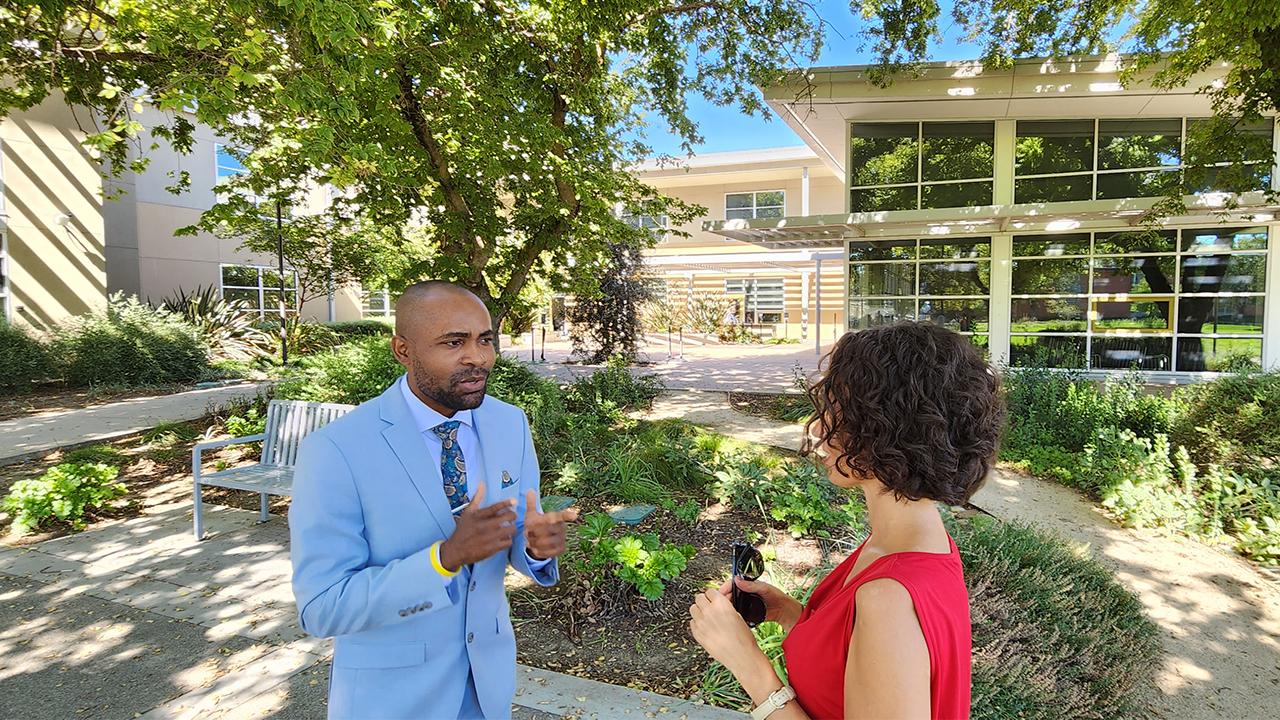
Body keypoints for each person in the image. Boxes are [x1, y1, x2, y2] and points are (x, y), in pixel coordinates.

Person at [290, 281, 578, 719]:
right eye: (453, 342)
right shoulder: (337, 449)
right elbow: (322, 608)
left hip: (487, 685)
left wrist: (534, 548)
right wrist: (443, 559)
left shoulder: (509, 423)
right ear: (403, 351)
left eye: (485, 340)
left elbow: (512, 530)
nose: (477, 357)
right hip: (392, 698)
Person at [688, 322, 1004, 720]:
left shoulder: (889, 599)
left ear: (887, 430)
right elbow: (852, 669)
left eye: (838, 413)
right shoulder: (905, 544)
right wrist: (789, 613)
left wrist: (747, 663)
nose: (819, 429)